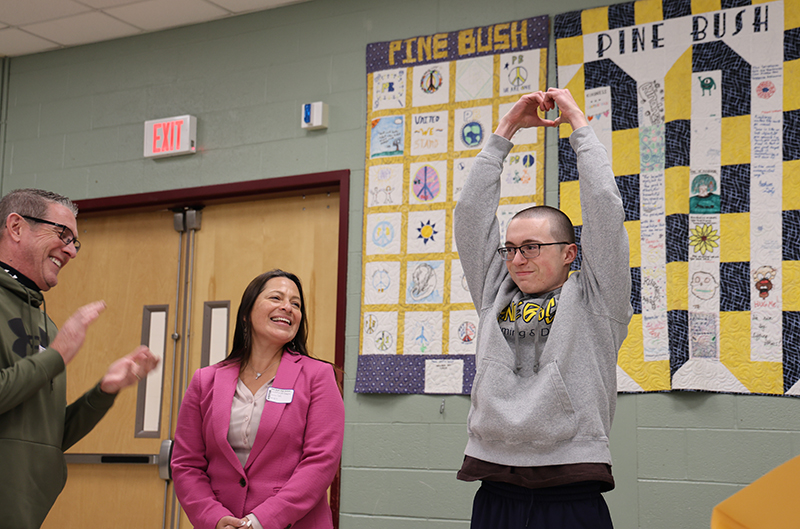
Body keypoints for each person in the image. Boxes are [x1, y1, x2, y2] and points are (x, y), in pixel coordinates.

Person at [453, 88, 633, 528]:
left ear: (571, 253)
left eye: (532, 246)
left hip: (571, 488)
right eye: (510, 248)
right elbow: (470, 214)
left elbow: (605, 211)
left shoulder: (595, 299)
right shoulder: (496, 291)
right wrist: (506, 129)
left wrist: (578, 124)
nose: (518, 258)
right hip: (494, 484)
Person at [0, 188, 160, 528]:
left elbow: (49, 436)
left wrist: (104, 392)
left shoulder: (44, 323)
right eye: (63, 235)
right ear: (15, 227)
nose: (71, 251)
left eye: (75, 242)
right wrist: (58, 353)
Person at [172, 269, 345, 529]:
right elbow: (186, 464)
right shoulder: (205, 381)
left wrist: (259, 522)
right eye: (276, 298)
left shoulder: (318, 376)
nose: (287, 307)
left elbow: (320, 463)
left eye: (296, 304)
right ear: (246, 313)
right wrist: (215, 519)